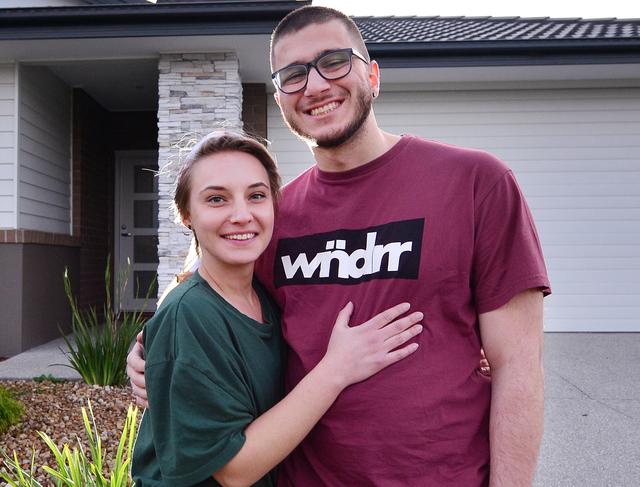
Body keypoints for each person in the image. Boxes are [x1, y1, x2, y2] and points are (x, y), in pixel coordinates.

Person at [129, 6, 551, 486]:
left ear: (372, 75)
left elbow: (518, 366)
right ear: (281, 99)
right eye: (293, 75)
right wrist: (148, 353)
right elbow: (210, 290)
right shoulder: (273, 216)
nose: (314, 86)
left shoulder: (476, 183)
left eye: (334, 62)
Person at [130, 131, 424, 487]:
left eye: (256, 196)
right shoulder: (190, 313)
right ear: (186, 214)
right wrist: (337, 368)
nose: (241, 215)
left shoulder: (265, 294)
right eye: (217, 199)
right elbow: (234, 471)